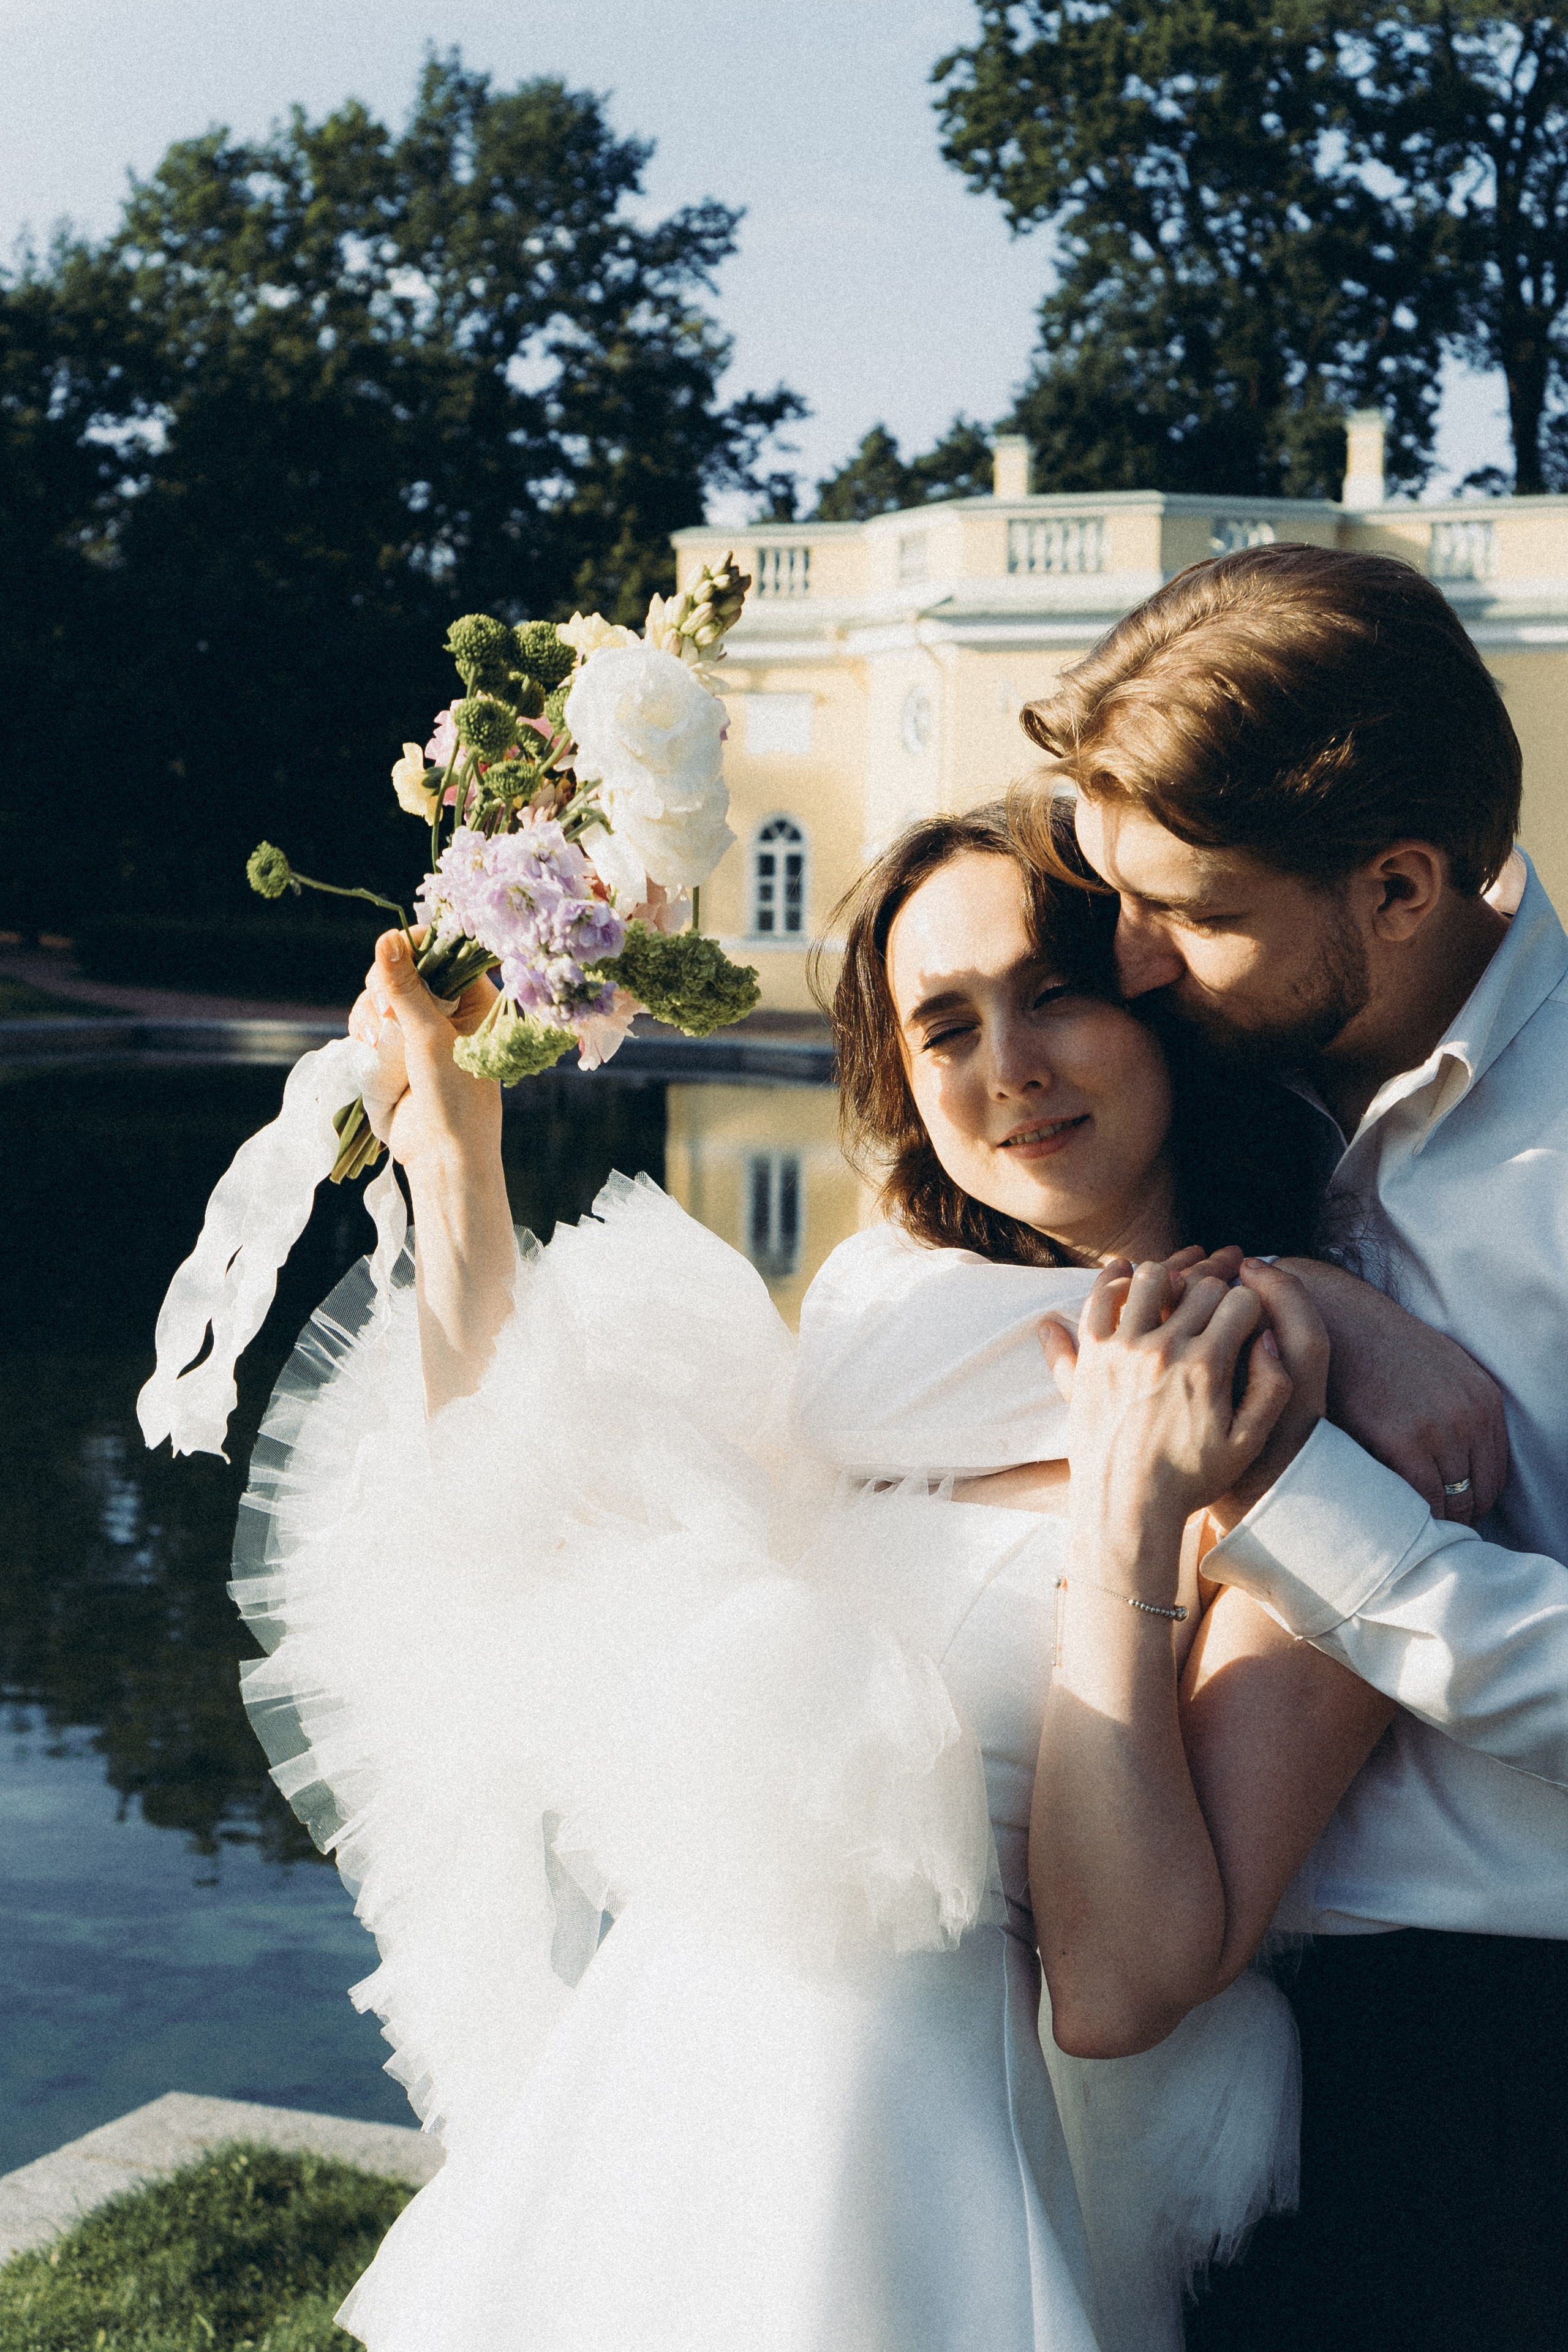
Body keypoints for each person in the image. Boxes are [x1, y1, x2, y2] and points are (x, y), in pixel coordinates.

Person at [232, 794, 1480, 2352]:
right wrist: (454, 1151)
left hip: (900, 2169)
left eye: (1054, 992)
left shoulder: (1283, 1446)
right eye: (942, 1025)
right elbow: (521, 1543)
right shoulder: (875, 1345)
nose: (1004, 1066)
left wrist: (1129, 1513)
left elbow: (1125, 1982)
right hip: (651, 2108)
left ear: (1158, 1000)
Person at [1014, 540, 1568, 2352]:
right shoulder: (1193, 1072)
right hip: (1184, 2050)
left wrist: (1328, 1525)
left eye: (1188, 908)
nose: (1127, 958)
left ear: (1400, 886)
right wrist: (1313, 1309)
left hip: (1496, 2066)